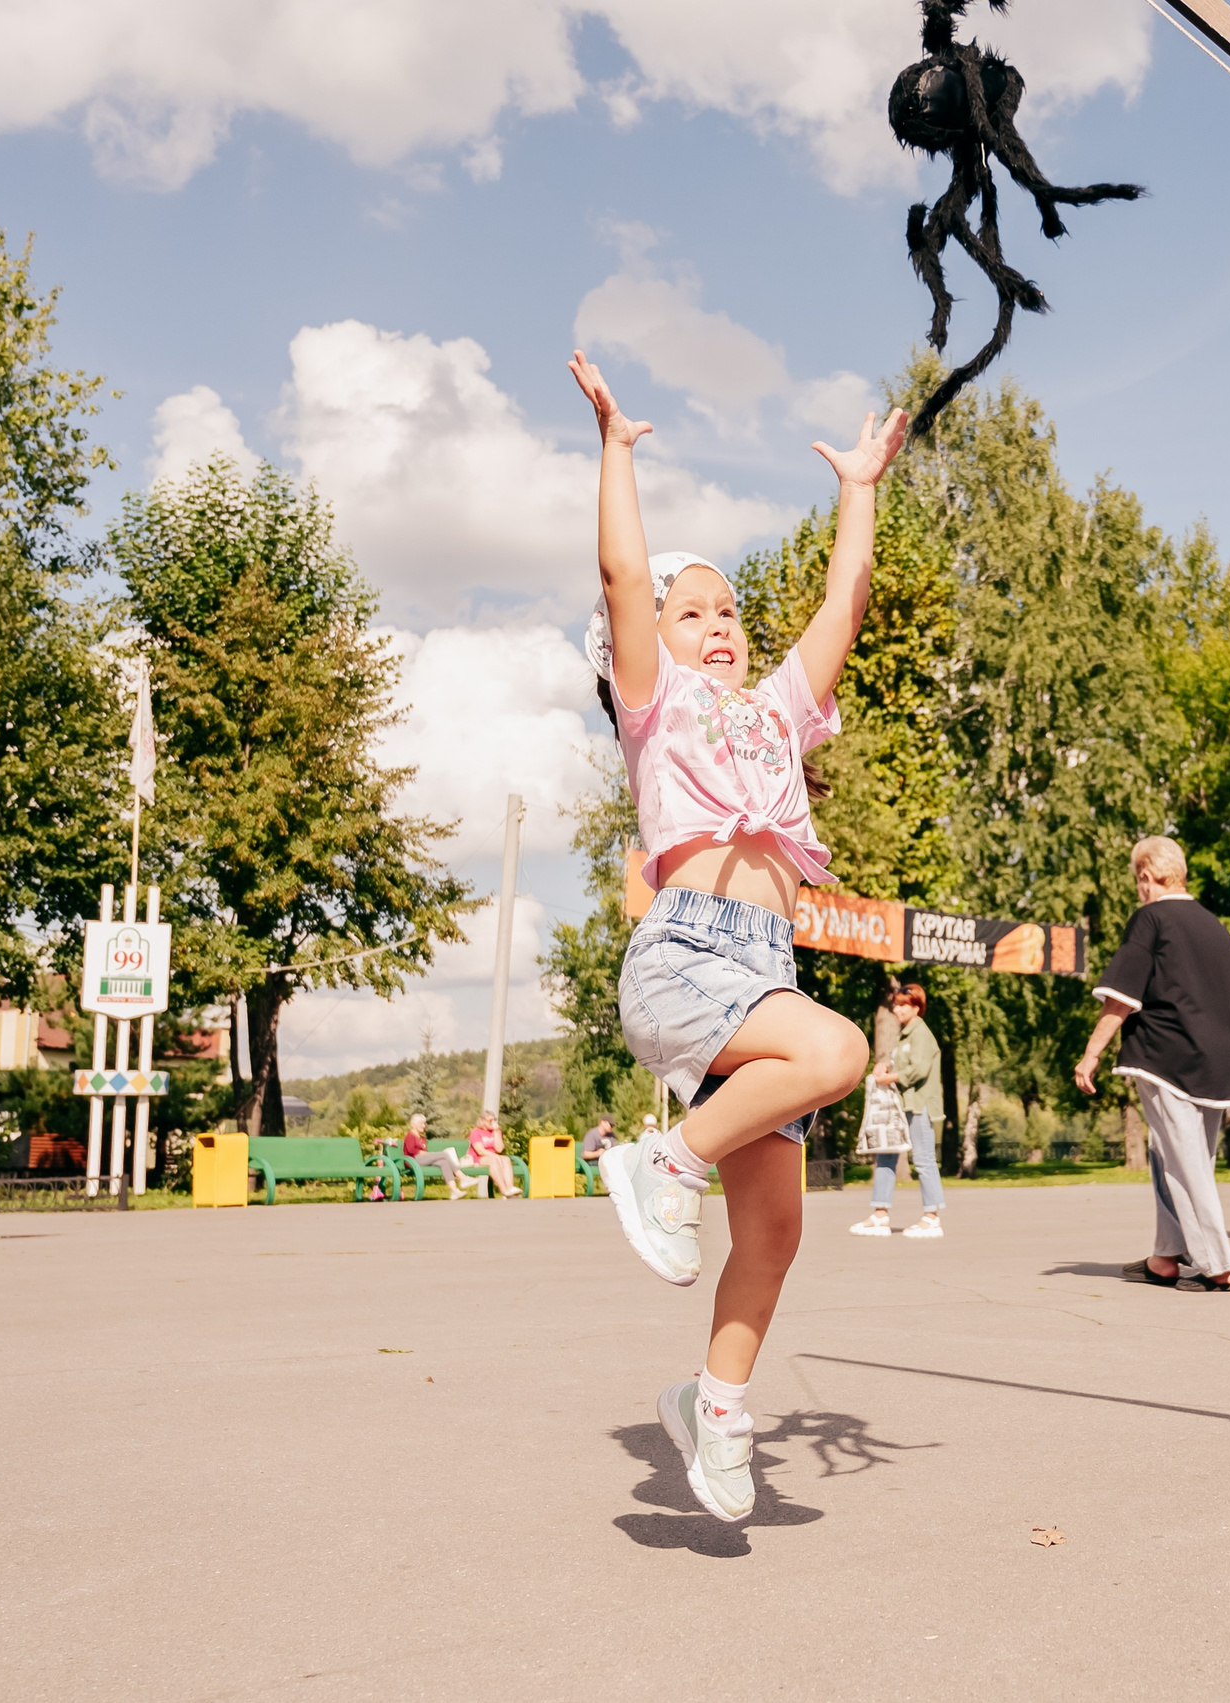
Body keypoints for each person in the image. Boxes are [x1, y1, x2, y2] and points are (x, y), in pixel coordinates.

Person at [572, 347, 906, 1524]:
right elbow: (623, 571)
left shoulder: (775, 712)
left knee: (775, 1227)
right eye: (693, 611)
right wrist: (615, 451)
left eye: (728, 610)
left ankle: (711, 1406)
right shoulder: (655, 703)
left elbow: (842, 607)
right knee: (840, 1050)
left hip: (763, 971)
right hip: (687, 955)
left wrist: (857, 491)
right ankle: (663, 1161)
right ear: (650, 637)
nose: (718, 624)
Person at [1074, 836, 1230, 1294]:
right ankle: (1165, 1257)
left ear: (1146, 876)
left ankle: (1219, 1265)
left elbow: (1121, 996)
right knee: (1170, 1155)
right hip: (1216, 1064)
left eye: (1137, 880)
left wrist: (1092, 1052)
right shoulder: (1215, 926)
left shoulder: (1151, 919)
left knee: (1184, 1162)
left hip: (1167, 1059)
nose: (1138, 889)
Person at [853, 984, 946, 1238]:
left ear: (917, 1007)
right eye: (896, 1004)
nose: (897, 1009)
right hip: (899, 1105)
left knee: (924, 1159)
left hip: (919, 1104)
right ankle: (880, 1214)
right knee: (885, 1155)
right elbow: (901, 1062)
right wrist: (884, 1065)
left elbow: (919, 1070)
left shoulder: (921, 1034)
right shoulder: (904, 1035)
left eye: (903, 1005)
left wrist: (890, 1077)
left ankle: (932, 1217)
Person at [400, 1112, 467, 1200]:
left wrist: (427, 1154)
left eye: (424, 1123)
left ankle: (454, 1191)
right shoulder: (410, 1136)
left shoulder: (421, 1138)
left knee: (443, 1162)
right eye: (421, 1123)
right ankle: (462, 1178)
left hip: (420, 1160)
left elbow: (423, 1152)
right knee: (444, 1154)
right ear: (413, 1124)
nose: (423, 1126)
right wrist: (427, 1154)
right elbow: (411, 1150)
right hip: (412, 1161)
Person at [465, 1113, 521, 1198]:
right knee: (493, 1160)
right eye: (490, 1120)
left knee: (506, 1159)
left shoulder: (496, 1132)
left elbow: (499, 1149)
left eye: (494, 1120)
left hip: (492, 1156)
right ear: (483, 1121)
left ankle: (510, 1188)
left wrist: (496, 1131)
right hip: (477, 1158)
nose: (493, 1122)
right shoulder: (476, 1132)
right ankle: (504, 1191)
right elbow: (480, 1151)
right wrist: (495, 1156)